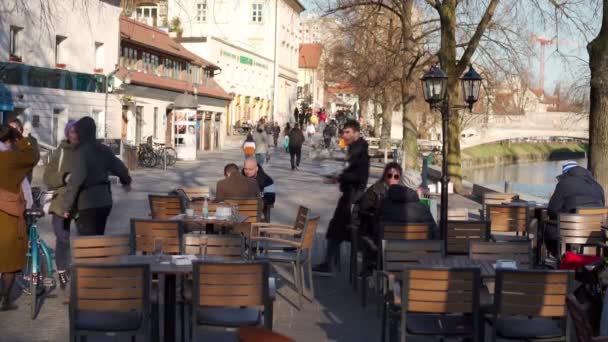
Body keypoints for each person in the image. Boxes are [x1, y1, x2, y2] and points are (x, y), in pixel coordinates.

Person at [313, 120, 369, 275]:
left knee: (340, 231)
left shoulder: (359, 151)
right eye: (344, 132)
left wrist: (340, 176)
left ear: (356, 133)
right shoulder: (355, 149)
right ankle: (330, 263)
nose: (344, 135)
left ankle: (331, 264)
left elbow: (359, 177)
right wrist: (338, 177)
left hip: (351, 199)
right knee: (337, 231)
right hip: (349, 197)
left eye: (348, 132)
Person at [61, 117, 132, 236]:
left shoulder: (82, 152)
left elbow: (75, 181)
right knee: (98, 237)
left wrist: (66, 206)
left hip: (88, 203)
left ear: (81, 132)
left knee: (88, 243)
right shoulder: (104, 149)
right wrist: (126, 181)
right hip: (105, 202)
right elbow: (119, 167)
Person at [0, 124, 39, 310]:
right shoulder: (12, 158)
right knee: (9, 262)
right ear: (11, 139)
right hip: (8, 214)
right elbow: (33, 156)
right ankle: (5, 300)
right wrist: (22, 138)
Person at [43, 120, 78, 289]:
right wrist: (63, 177)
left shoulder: (86, 151)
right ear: (67, 133)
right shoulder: (61, 152)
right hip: (61, 202)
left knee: (87, 239)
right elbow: (47, 176)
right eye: (72, 131)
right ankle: (62, 270)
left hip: (81, 203)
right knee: (62, 238)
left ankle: (88, 273)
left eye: (78, 131)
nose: (75, 135)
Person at [545, 161, 606, 256]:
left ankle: (562, 259)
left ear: (565, 173)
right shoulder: (598, 186)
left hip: (571, 233)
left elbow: (552, 210)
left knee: (549, 226)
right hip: (595, 233)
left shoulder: (564, 184)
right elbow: (602, 206)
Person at [357, 163, 403, 275]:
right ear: (385, 175)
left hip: (394, 230)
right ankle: (373, 266)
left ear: (400, 178)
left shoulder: (402, 193)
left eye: (396, 176)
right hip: (372, 228)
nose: (392, 179)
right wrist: (377, 210)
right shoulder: (375, 190)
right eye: (389, 175)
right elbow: (364, 209)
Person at [9, 118, 38, 183]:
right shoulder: (8, 142)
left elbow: (34, 158)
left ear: (20, 129)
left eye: (13, 129)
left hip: (23, 181)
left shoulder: (31, 141)